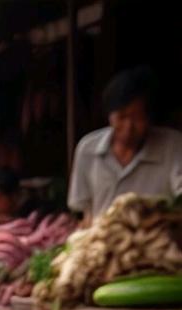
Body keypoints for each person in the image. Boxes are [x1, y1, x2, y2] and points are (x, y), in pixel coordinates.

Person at [68, 66, 182, 223]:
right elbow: (85, 213)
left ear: (150, 117)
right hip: (103, 242)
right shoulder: (87, 149)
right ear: (109, 116)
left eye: (137, 118)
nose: (129, 127)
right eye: (121, 117)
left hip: (156, 242)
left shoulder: (173, 146)